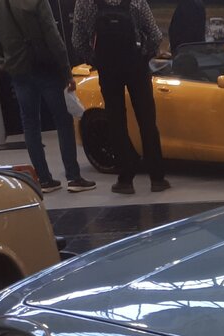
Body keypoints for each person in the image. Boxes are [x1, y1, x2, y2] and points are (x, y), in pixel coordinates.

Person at [0, 0, 96, 193]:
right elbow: (53, 36)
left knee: (30, 124)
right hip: (45, 68)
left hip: (17, 70)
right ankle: (73, 178)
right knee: (63, 121)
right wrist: (66, 72)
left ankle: (44, 180)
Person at [72, 0, 170, 193]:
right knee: (147, 121)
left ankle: (125, 179)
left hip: (108, 70)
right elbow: (155, 35)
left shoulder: (84, 2)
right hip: (136, 67)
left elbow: (77, 41)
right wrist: (143, 55)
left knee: (116, 122)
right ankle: (157, 178)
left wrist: (96, 60)